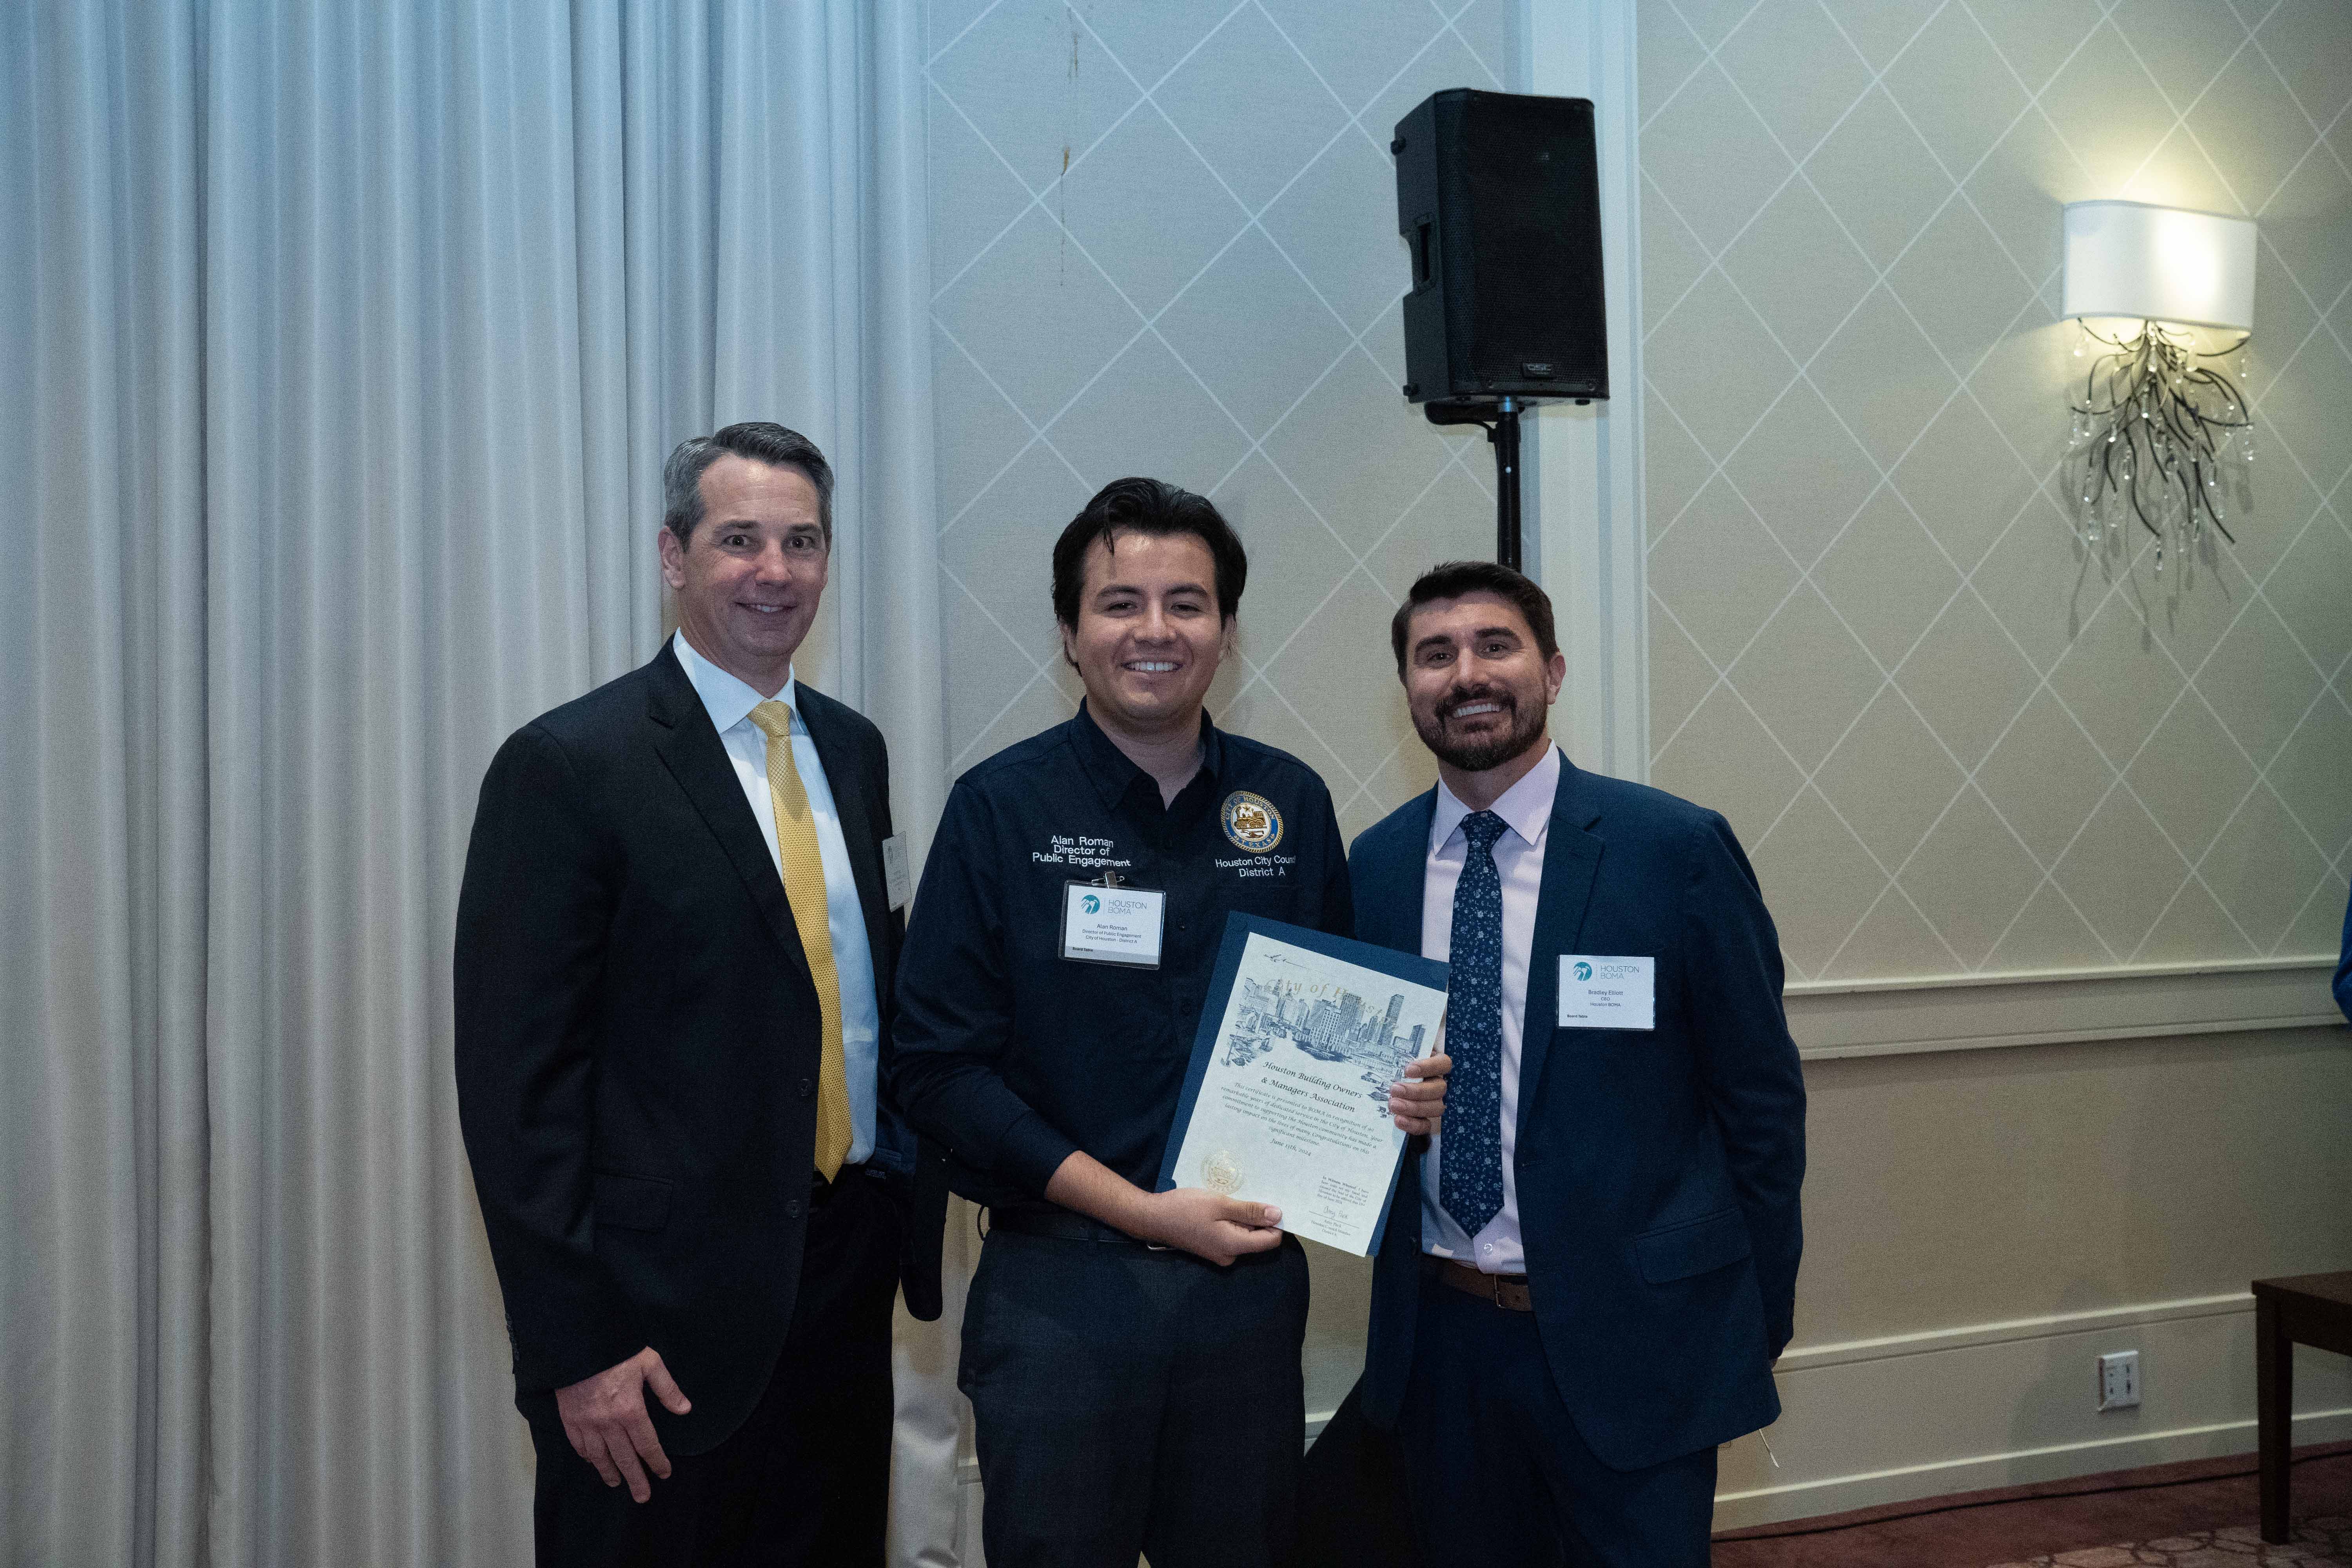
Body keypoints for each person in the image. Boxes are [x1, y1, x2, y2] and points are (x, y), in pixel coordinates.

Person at [891, 476, 1449, 1568]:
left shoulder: (1289, 804)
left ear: (1228, 632)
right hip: (1059, 1299)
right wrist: (1144, 1213)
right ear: (1068, 632)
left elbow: (1347, 1038)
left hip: (1241, 1302)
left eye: (1186, 603)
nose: (1155, 630)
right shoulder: (1000, 809)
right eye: (1120, 603)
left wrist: (1397, 1094)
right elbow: (937, 1070)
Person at [454, 422, 946, 1568]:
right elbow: (515, 1092)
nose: (775, 571)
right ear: (673, 556)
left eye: (802, 541)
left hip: (839, 1288)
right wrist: (576, 1347)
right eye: (739, 540)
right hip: (651, 1335)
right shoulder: (571, 765)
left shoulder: (856, 751)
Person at [1348, 561, 1806, 1567]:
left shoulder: (1672, 849)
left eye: (1495, 645)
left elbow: (1762, 1107)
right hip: (1441, 1346)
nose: (1466, 673)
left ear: (1552, 671)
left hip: (1640, 1340)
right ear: (1410, 689)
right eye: (1435, 654)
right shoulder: (1372, 869)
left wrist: (1738, 1320)